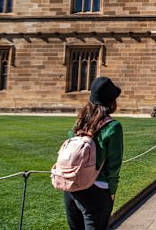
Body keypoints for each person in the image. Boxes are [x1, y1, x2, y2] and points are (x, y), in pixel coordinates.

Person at [64, 76, 124, 230]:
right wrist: (112, 191)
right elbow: (114, 164)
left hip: (71, 188)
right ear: (111, 102)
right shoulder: (113, 127)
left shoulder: (79, 122)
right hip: (97, 190)